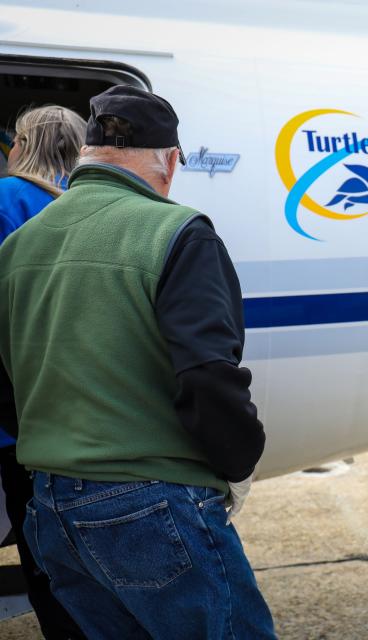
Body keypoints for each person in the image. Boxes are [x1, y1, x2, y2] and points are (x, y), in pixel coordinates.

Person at [0, 85, 275, 639]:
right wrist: (239, 461)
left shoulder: (18, 244)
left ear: (88, 154)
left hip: (51, 507)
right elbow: (207, 377)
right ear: (171, 160)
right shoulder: (178, 232)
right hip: (153, 504)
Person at [0, 104, 87, 640]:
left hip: (16, 417)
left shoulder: (7, 199)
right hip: (81, 413)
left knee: (41, 555)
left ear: (22, 145)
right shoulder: (95, 205)